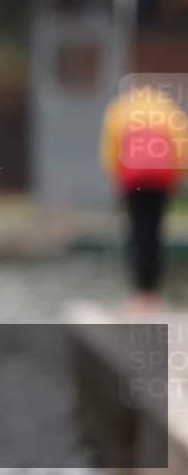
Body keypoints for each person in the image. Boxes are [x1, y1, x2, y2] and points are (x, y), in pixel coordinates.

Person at [99, 83, 187, 312]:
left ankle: (142, 292)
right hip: (161, 180)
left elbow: (111, 149)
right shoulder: (166, 109)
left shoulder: (120, 109)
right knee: (155, 232)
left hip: (133, 179)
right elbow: (181, 144)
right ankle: (153, 292)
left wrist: (115, 178)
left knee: (139, 231)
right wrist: (177, 176)